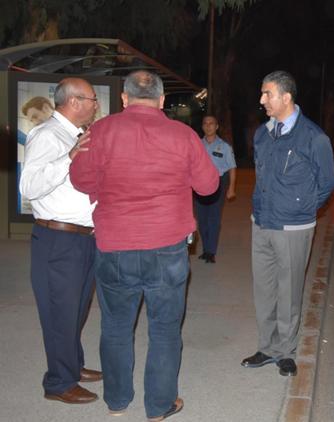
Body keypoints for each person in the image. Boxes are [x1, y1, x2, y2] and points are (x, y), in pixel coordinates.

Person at [70, 70, 218, 421]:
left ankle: (117, 402)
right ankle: (159, 406)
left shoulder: (101, 132)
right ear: (162, 100)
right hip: (167, 249)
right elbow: (209, 185)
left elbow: (80, 179)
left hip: (114, 247)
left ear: (124, 98)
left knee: (116, 327)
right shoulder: (182, 135)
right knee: (165, 330)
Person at [241, 70, 334, 377]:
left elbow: (327, 183)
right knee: (264, 290)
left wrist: (301, 208)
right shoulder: (263, 133)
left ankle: (286, 351)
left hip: (294, 229)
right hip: (262, 224)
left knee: (290, 290)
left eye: (267, 94)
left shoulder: (314, 137)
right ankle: (267, 348)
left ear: (286, 97)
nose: (262, 100)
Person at [19, 78, 102, 405]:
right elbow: (30, 186)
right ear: (74, 101)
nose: (96, 105)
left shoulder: (74, 134)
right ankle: (57, 382)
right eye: (93, 99)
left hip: (82, 239)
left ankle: (72, 365)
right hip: (58, 238)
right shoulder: (47, 136)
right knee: (59, 312)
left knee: (76, 309)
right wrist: (68, 157)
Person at [194, 115, 237, 263]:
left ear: (217, 126)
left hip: (219, 183)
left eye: (211, 123)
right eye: (205, 123)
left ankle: (210, 251)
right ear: (202, 126)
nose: (208, 126)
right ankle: (206, 249)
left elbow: (232, 168)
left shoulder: (224, 146)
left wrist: (231, 188)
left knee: (214, 218)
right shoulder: (197, 144)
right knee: (201, 218)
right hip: (200, 184)